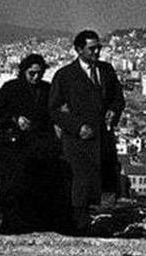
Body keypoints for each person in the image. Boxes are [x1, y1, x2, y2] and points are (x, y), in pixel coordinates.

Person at [49, 30, 125, 234]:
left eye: (98, 47)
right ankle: (79, 225)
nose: (97, 52)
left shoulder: (106, 70)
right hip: (78, 142)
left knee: (107, 180)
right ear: (79, 49)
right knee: (81, 184)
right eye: (92, 48)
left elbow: (118, 98)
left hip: (104, 137)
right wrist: (76, 127)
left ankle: (103, 223)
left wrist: (113, 111)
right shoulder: (65, 75)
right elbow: (54, 109)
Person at [0, 54, 68, 234]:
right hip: (14, 147)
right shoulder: (11, 88)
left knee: (36, 186)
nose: (35, 77)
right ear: (23, 71)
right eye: (32, 73)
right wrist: (14, 119)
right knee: (13, 187)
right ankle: (12, 223)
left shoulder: (47, 89)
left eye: (39, 73)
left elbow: (54, 113)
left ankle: (34, 222)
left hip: (38, 147)